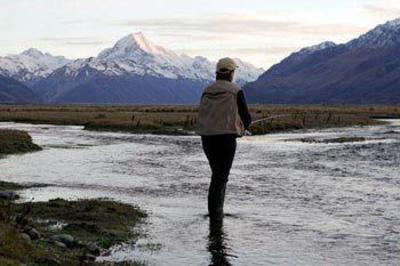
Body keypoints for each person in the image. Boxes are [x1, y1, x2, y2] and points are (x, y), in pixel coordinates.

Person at [197, 57, 252, 223]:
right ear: (231, 73)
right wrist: (243, 127)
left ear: (217, 72)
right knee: (221, 177)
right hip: (227, 139)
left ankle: (214, 215)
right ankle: (217, 215)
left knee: (216, 175)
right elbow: (247, 118)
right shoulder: (236, 90)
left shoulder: (206, 90)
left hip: (207, 138)